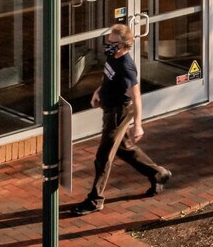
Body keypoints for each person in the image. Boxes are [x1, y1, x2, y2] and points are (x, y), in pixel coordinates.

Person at [67, 24, 172, 214]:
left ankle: (95, 200)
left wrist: (138, 125)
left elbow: (136, 97)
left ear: (123, 45)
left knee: (103, 157)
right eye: (108, 40)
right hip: (109, 110)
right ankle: (158, 173)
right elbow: (107, 77)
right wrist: (98, 92)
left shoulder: (127, 68)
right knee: (125, 149)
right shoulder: (112, 56)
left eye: (112, 42)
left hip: (119, 113)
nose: (108, 44)